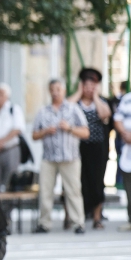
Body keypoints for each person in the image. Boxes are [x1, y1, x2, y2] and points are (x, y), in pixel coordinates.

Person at [32, 79, 89, 234]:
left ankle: (78, 222)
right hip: (49, 158)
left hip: (70, 157)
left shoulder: (73, 109)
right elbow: (34, 135)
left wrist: (69, 128)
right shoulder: (43, 111)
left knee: (73, 191)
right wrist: (45, 131)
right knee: (45, 191)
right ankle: (44, 223)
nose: (55, 92)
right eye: (52, 89)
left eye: (58, 89)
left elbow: (85, 132)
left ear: (63, 91)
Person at [67, 68, 111, 229]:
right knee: (76, 181)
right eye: (86, 85)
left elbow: (105, 115)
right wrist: (79, 93)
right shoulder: (75, 102)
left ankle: (97, 217)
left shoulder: (102, 102)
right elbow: (66, 108)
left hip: (96, 148)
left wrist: (96, 97)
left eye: (93, 85)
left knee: (97, 182)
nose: (89, 88)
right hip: (77, 147)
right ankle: (73, 216)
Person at [115, 86, 131, 231]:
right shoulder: (127, 99)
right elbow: (118, 119)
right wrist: (125, 134)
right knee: (129, 188)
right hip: (129, 151)